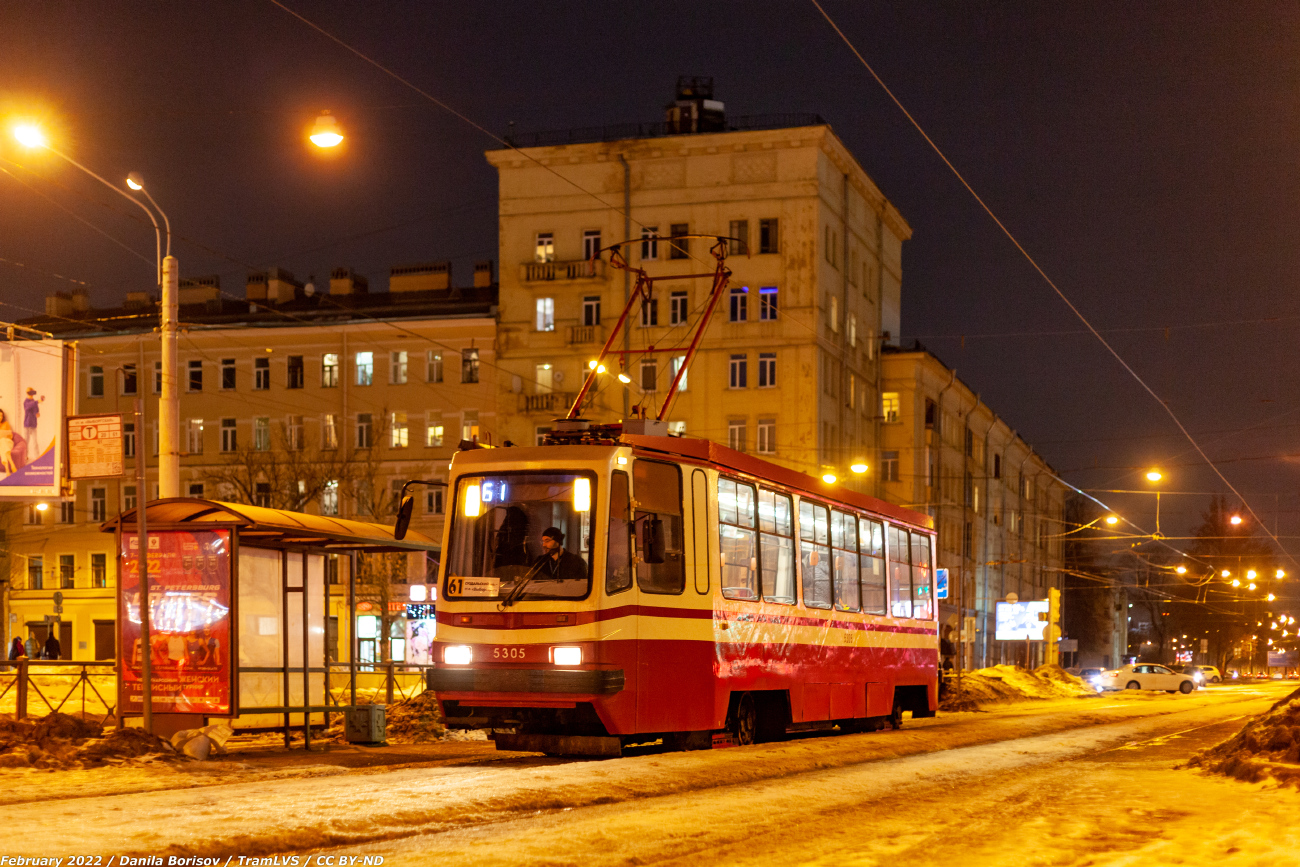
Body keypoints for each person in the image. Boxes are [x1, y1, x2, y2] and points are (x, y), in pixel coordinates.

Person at [22, 389, 43, 456]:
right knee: (26, 442)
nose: (31, 396)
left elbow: (36, 410)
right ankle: (25, 456)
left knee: (35, 442)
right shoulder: (26, 402)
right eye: (30, 394)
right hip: (27, 425)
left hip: (33, 424)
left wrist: (37, 413)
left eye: (32, 394)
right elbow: (28, 406)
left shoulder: (33, 402)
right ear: (27, 394)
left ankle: (37, 456)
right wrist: (38, 401)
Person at [0, 410, 15, 475]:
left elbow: (11, 435)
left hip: (8, 442)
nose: (0, 417)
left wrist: (5, 436)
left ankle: (7, 470)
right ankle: (11, 465)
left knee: (2, 441)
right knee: (2, 443)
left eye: (1, 415)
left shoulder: (6, 423)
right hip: (1, 444)